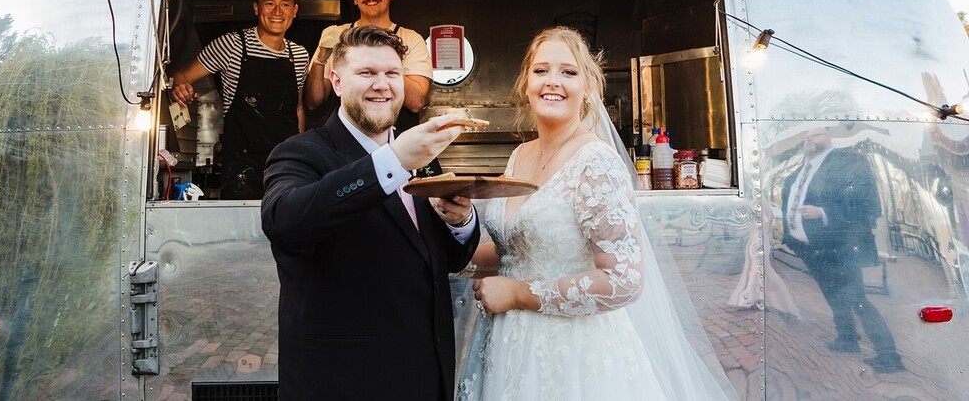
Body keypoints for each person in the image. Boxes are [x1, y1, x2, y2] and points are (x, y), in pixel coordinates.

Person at [458, 27, 734, 400]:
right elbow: (517, 248)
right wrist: (454, 226)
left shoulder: (596, 162)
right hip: (508, 344)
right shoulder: (519, 155)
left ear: (588, 87)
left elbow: (623, 279)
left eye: (568, 72)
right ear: (526, 83)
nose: (552, 81)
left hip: (572, 354)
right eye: (541, 70)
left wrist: (519, 294)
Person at [262, 25, 479, 401]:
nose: (382, 85)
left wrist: (460, 222)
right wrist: (393, 161)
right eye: (367, 73)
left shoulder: (423, 157)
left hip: (425, 378)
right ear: (336, 81)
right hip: (343, 381)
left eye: (392, 74)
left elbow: (447, 259)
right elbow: (285, 221)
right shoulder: (300, 153)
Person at [170, 0, 308, 200]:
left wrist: (302, 155)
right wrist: (180, 87)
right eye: (269, 3)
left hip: (286, 165)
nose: (277, 11)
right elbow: (181, 75)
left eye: (284, 4)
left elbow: (298, 108)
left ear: (294, 10)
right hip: (242, 168)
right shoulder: (232, 45)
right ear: (256, 8)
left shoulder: (299, 55)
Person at [781, 127, 904, 373]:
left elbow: (869, 208)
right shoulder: (797, 173)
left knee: (856, 299)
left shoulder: (850, 163)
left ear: (829, 137)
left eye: (815, 134)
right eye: (806, 136)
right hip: (810, 249)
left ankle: (889, 355)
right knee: (833, 296)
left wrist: (824, 213)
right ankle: (847, 339)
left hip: (841, 248)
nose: (809, 138)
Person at [304, 0, 432, 133]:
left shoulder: (411, 38)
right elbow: (314, 101)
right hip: (348, 142)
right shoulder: (337, 36)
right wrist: (320, 58)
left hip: (398, 142)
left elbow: (416, 102)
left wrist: (387, 61)